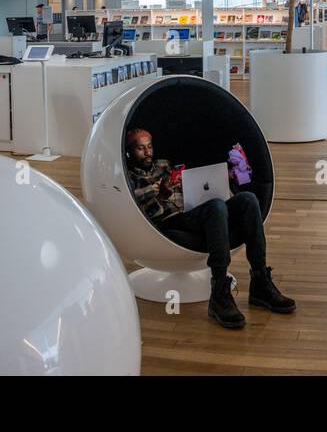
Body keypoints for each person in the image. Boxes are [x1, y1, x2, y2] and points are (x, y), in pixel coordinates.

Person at [125, 129, 295, 328]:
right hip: (170, 219)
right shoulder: (130, 178)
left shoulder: (164, 165)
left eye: (149, 146)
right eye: (140, 148)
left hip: (193, 210)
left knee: (248, 200)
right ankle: (219, 293)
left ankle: (260, 281)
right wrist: (161, 195)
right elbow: (143, 214)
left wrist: (222, 180)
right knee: (216, 207)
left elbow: (191, 188)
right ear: (129, 152)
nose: (147, 152)